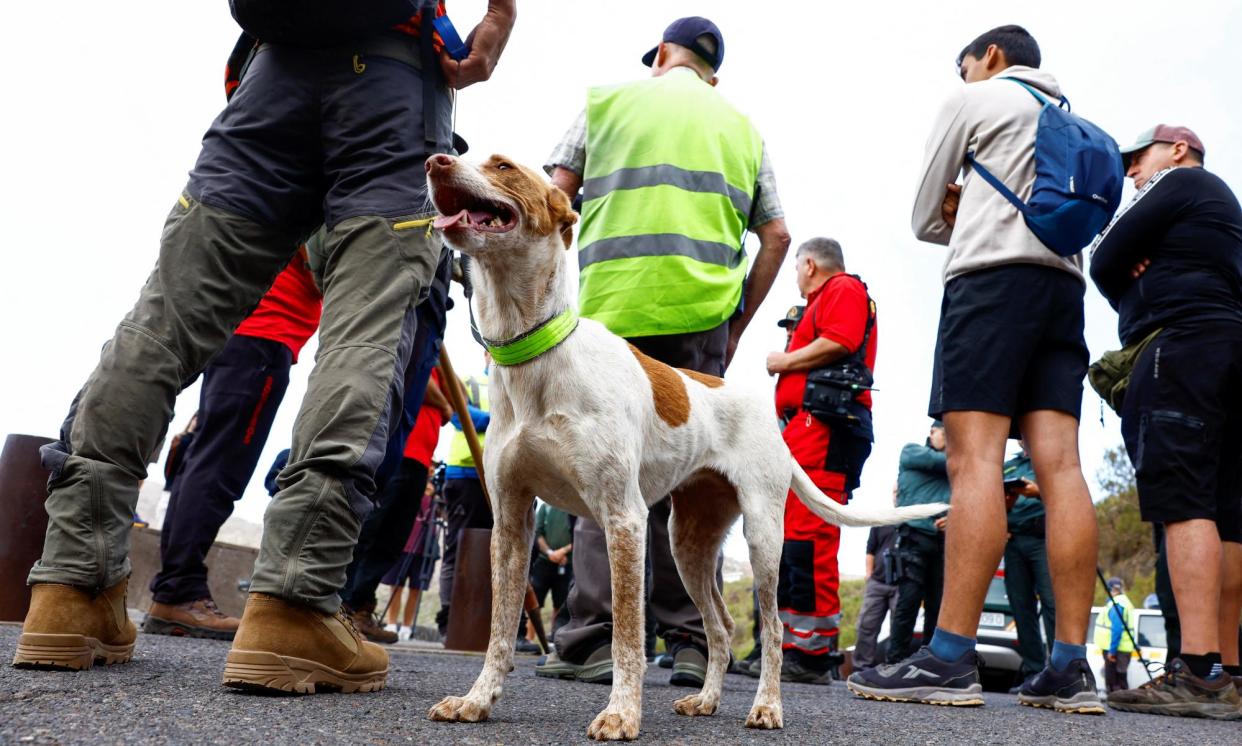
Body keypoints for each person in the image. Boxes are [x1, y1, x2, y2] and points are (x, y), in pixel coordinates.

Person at [12, 3, 518, 695]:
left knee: (164, 320)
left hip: (269, 77)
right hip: (391, 85)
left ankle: (72, 586)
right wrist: (498, 17)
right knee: (364, 331)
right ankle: (294, 603)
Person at [849, 25, 1103, 714]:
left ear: (989, 57)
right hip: (1064, 290)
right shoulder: (1066, 116)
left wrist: (962, 206)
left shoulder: (979, 99)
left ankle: (951, 656)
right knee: (1063, 467)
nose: (962, 73)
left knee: (975, 458)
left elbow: (926, 218)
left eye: (964, 63)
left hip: (992, 283)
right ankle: (1071, 668)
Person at [537, 16, 790, 688]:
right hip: (701, 318)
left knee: (603, 472)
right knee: (690, 475)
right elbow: (779, 236)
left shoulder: (608, 103)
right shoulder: (742, 129)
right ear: (712, 71)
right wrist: (736, 325)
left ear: (664, 56)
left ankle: (591, 638)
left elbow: (553, 195)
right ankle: (687, 642)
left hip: (611, 314)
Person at [1089, 124, 1242, 718]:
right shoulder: (1223, 212)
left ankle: (1196, 669)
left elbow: (1105, 259)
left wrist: (1133, 276)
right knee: (1227, 513)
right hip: (1227, 346)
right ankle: (1228, 670)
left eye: (1137, 159)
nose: (1130, 173)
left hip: (1181, 348)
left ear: (1177, 149)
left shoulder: (1181, 181)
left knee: (1185, 502)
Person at [144, 252, 321, 641]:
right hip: (263, 339)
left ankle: (174, 589)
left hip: (248, 336)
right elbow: (322, 264)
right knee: (219, 470)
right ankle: (179, 591)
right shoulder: (317, 201)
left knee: (205, 461)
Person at [766, 237, 878, 684]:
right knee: (794, 532)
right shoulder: (823, 298)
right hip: (807, 426)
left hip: (826, 427)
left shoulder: (843, 289)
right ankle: (793, 643)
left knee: (811, 533)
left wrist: (785, 360)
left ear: (810, 264)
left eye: (796, 269)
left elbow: (841, 339)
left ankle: (811, 653)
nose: (795, 278)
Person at [342, 365, 453, 643]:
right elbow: (421, 385)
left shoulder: (439, 358)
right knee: (372, 529)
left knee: (392, 539)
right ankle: (343, 603)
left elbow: (456, 396)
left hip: (420, 460)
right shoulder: (420, 345)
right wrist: (445, 405)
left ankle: (359, 606)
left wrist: (448, 400)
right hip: (400, 449)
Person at [885, 422, 951, 663]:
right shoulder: (912, 452)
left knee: (936, 605)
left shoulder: (955, 467)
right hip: (913, 538)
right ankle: (895, 661)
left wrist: (953, 517)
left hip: (941, 542)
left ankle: (929, 661)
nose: (939, 435)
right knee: (909, 600)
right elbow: (942, 463)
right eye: (939, 431)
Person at [1003, 442, 1056, 689]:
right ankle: (1033, 672)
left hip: (1043, 538)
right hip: (1014, 539)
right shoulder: (1009, 465)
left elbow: (1068, 494)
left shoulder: (1052, 459)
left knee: (1051, 602)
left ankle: (1058, 671)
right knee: (1020, 606)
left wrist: (1039, 491)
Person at [381, 466, 443, 641]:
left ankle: (407, 626)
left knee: (416, 590)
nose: (431, 470)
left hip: (424, 549)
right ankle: (391, 623)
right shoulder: (408, 485)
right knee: (396, 586)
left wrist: (434, 496)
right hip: (402, 544)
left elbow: (443, 516)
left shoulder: (436, 495)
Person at [853, 519, 899, 671]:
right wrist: (869, 573)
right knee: (866, 625)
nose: (897, 494)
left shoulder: (914, 522)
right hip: (877, 582)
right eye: (895, 492)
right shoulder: (881, 521)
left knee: (898, 628)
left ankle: (894, 669)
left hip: (902, 584)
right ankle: (861, 667)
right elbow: (870, 550)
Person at [530, 501, 574, 638]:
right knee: (535, 601)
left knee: (561, 603)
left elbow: (579, 534)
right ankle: (528, 638)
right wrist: (550, 553)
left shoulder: (575, 508)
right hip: (543, 562)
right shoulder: (545, 507)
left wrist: (563, 552)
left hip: (566, 564)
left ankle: (555, 637)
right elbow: (538, 532)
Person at [1094, 577, 1138, 693]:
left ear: (1108, 589)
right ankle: (1122, 703)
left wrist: (1112, 651)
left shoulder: (1116, 604)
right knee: (1121, 678)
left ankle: (1116, 704)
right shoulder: (1124, 602)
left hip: (1115, 649)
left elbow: (1117, 629)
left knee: (1114, 681)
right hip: (1123, 648)